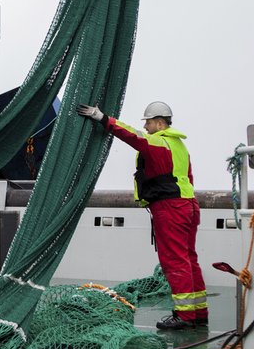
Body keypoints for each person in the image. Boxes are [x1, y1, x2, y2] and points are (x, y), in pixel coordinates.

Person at [76, 101, 208, 330]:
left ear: (159, 122)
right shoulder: (179, 146)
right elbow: (188, 177)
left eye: (148, 121)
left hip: (170, 208)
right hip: (188, 205)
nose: (146, 126)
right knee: (189, 258)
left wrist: (103, 118)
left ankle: (185, 316)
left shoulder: (158, 142)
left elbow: (133, 136)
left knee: (175, 261)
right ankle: (199, 312)